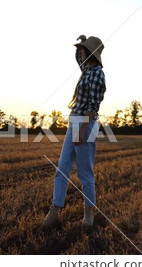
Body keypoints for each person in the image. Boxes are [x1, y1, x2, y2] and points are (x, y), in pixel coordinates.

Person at [43, 35, 106, 227]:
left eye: (84, 48)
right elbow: (78, 58)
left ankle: (88, 214)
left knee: (85, 174)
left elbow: (93, 108)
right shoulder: (86, 69)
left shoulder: (97, 74)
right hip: (74, 122)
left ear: (91, 53)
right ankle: (54, 212)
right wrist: (82, 41)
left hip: (86, 123)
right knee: (61, 169)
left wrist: (81, 130)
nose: (81, 51)